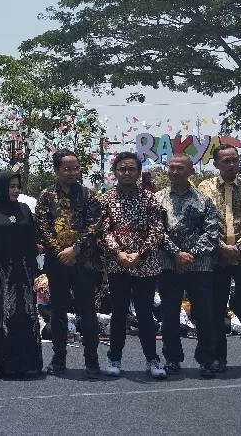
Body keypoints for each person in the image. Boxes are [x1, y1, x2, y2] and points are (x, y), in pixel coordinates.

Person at [198, 144, 241, 375]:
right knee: (216, 310)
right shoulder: (204, 188)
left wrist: (238, 246)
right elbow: (202, 223)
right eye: (226, 161)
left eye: (235, 160)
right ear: (216, 164)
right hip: (216, 259)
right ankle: (219, 359)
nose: (231, 165)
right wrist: (221, 247)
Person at [35, 149, 102, 379]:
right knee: (59, 311)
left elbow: (94, 227)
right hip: (57, 263)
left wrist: (75, 250)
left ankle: (92, 361)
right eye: (67, 169)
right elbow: (42, 226)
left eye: (76, 168)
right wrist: (59, 252)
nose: (72, 173)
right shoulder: (46, 196)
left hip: (84, 262)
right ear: (56, 170)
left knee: (87, 311)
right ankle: (59, 358)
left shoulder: (88, 195)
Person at [99, 151, 167, 379]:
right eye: (122, 169)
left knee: (145, 314)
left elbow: (157, 230)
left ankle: (152, 360)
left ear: (139, 172)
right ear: (115, 172)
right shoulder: (106, 199)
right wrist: (118, 253)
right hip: (118, 265)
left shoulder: (150, 199)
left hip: (145, 265)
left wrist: (140, 253)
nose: (127, 173)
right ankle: (114, 358)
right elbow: (103, 230)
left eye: (131, 169)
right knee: (118, 313)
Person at [154, 153, 219, 378]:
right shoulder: (158, 199)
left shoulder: (204, 200)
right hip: (168, 266)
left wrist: (190, 254)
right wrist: (176, 254)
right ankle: (172, 358)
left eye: (180, 168)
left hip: (199, 267)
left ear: (191, 171)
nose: (174, 172)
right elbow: (156, 232)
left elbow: (211, 232)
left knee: (204, 314)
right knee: (169, 315)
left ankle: (207, 360)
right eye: (171, 168)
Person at [0, 171, 43, 378]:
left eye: (17, 186)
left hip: (23, 272)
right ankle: (4, 365)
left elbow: (33, 239)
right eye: (11, 186)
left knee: (26, 316)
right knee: (4, 317)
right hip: (1, 274)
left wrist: (36, 268)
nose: (15, 190)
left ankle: (27, 363)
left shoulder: (24, 209)